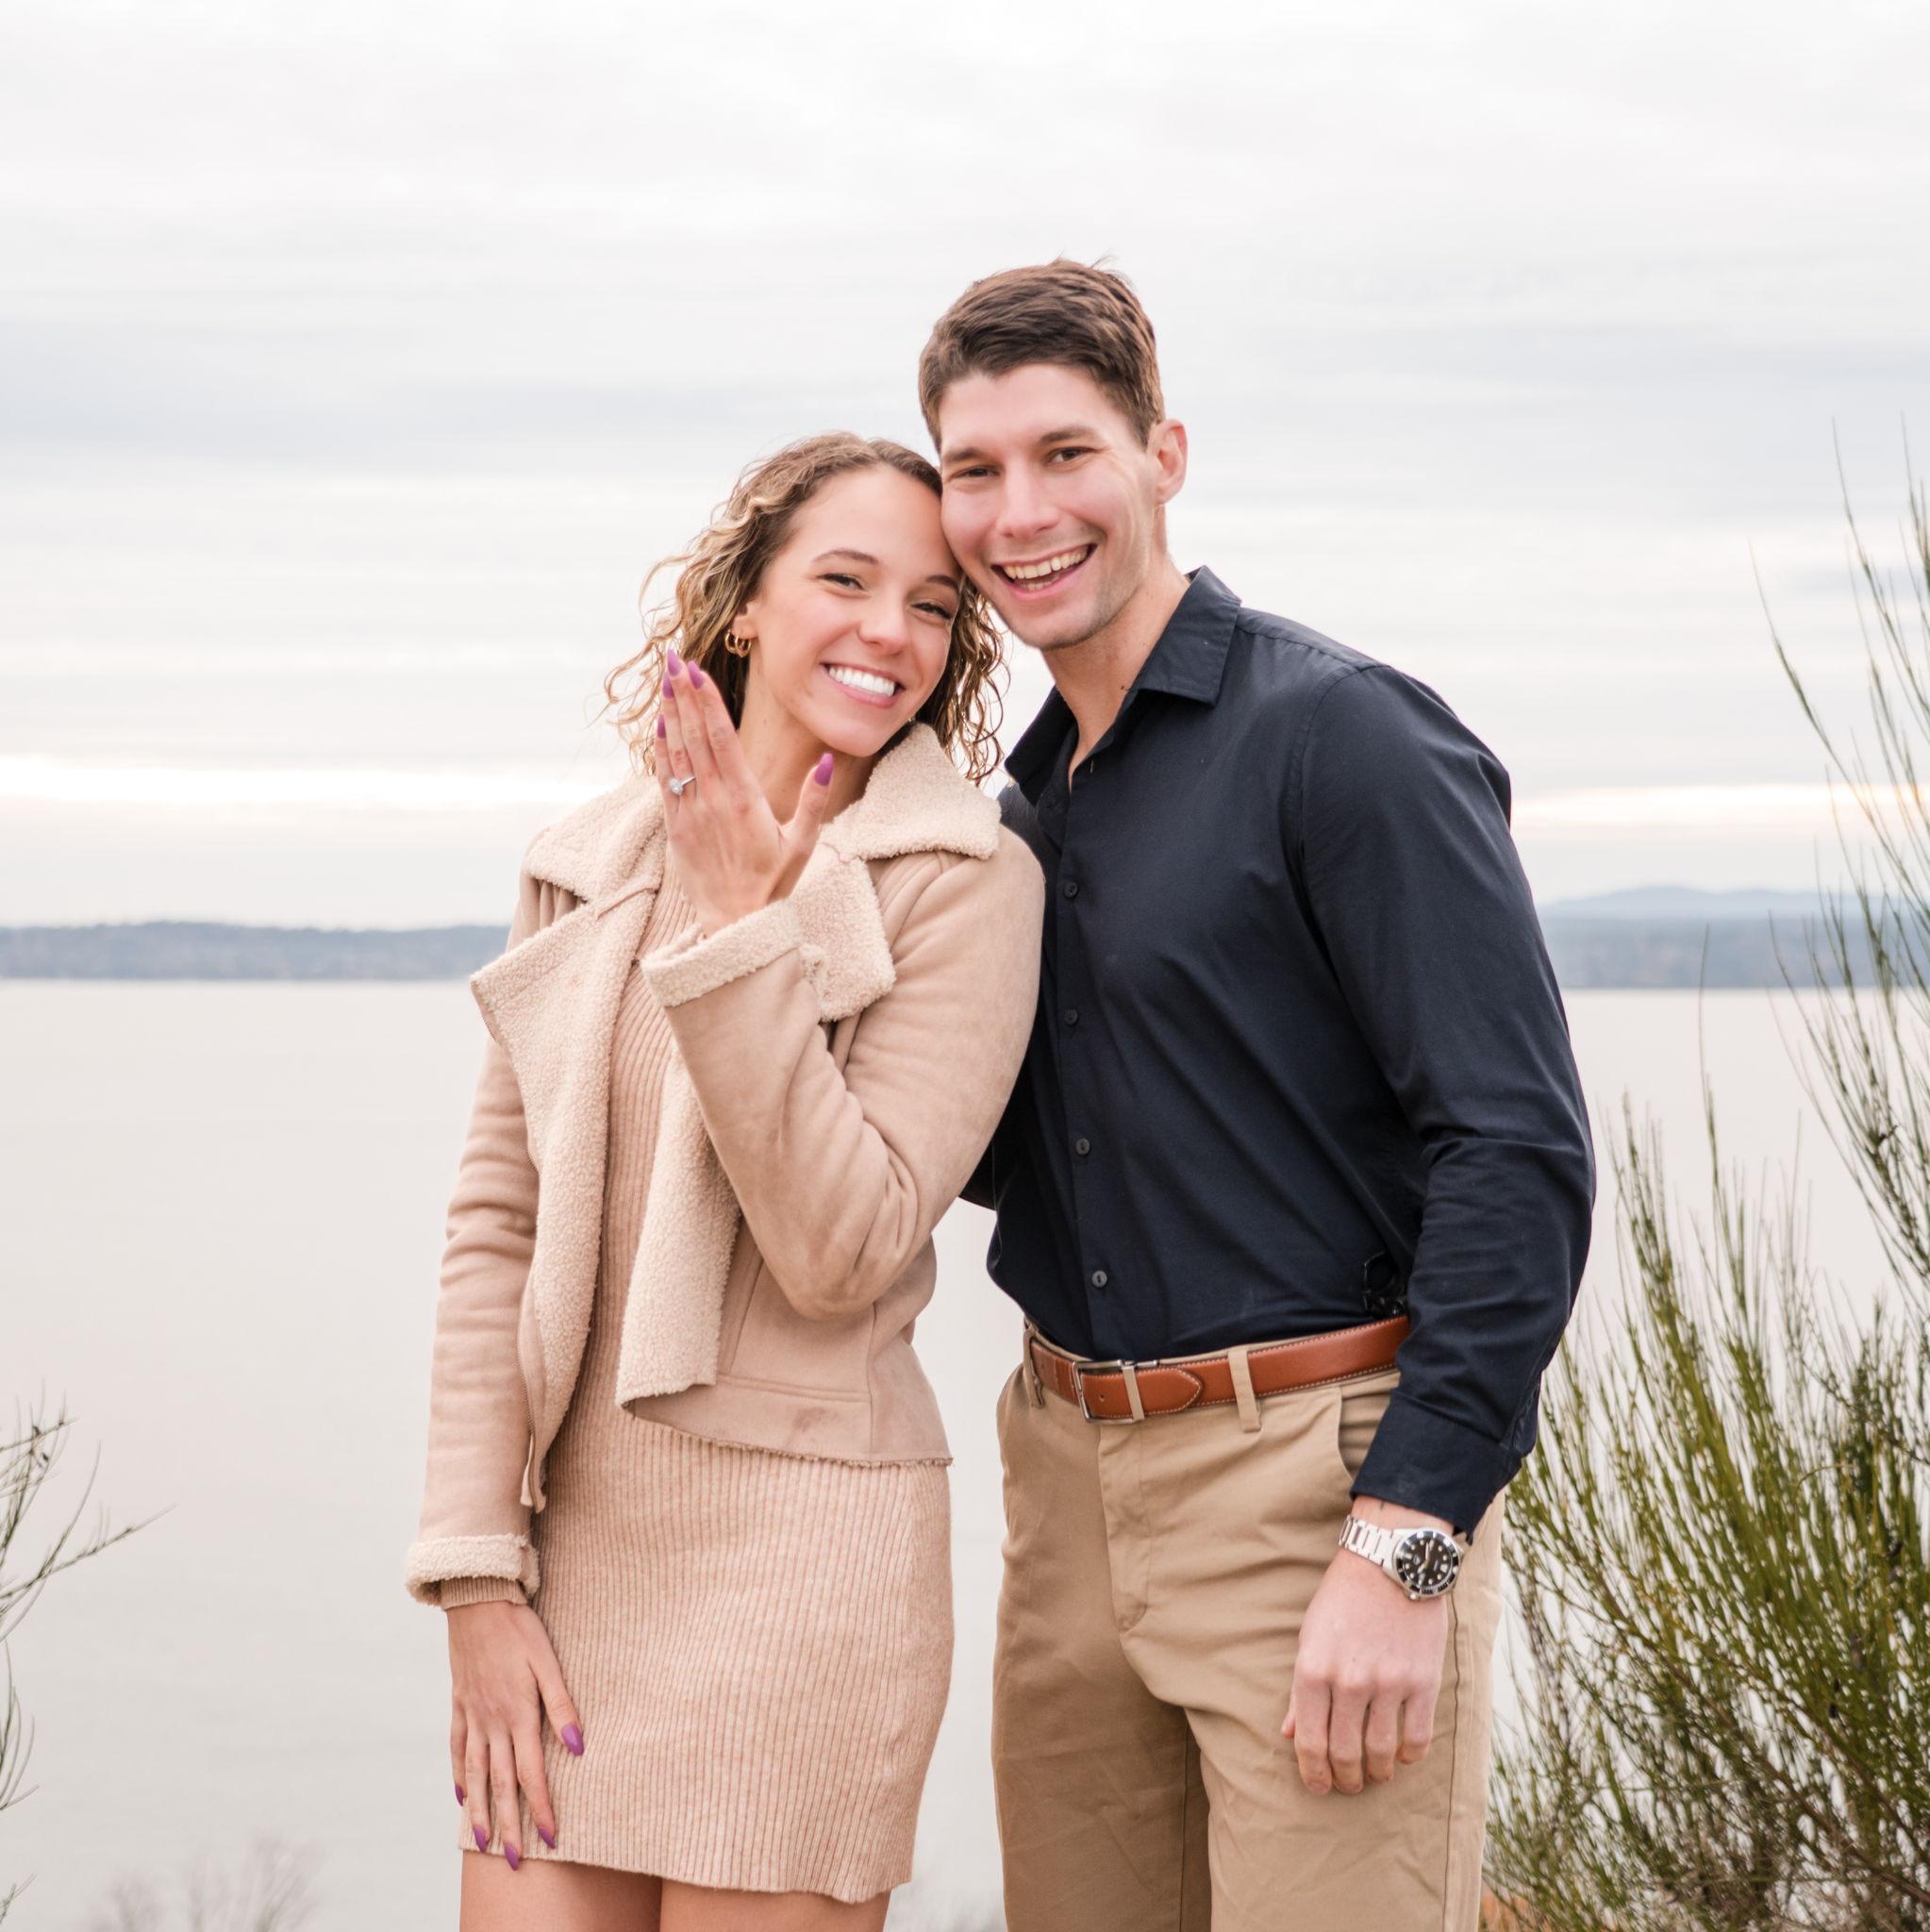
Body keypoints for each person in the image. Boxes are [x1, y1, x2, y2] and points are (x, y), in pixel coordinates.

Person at [923, 262, 1595, 1931]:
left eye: (1064, 454)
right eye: (972, 470)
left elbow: (1514, 1153)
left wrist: (1409, 1543)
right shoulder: (1017, 813)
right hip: (1063, 1485)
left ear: (1163, 456)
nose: (1020, 514)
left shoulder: (1342, 738)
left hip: (1314, 1490)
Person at [405, 432, 1044, 1931]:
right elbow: (496, 1233)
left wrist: (748, 938)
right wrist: (476, 1581)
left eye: (935, 604)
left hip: (805, 1571)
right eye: (846, 580)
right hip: (573, 1559)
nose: (891, 631)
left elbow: (844, 1247)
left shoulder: (963, 882)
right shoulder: (586, 862)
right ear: (746, 601)